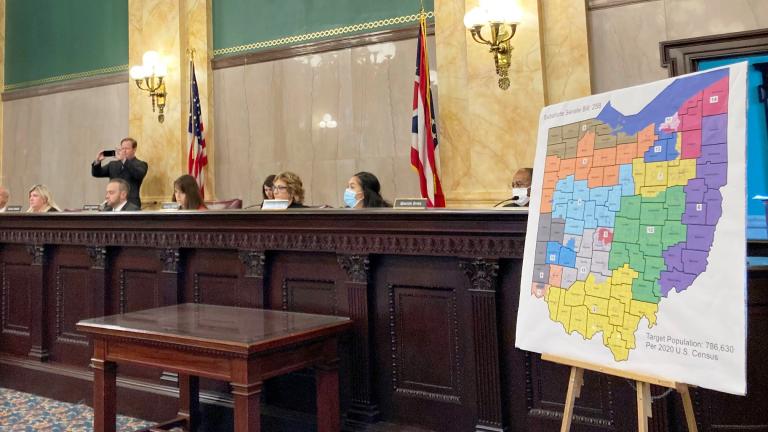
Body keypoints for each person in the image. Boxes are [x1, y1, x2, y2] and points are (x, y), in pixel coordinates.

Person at [92, 137, 148, 208]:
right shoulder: (112, 164)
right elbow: (97, 173)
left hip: (131, 205)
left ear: (134, 149)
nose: (124, 151)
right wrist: (97, 161)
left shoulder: (141, 164)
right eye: (122, 148)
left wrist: (124, 161)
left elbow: (138, 175)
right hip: (113, 204)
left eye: (127, 148)